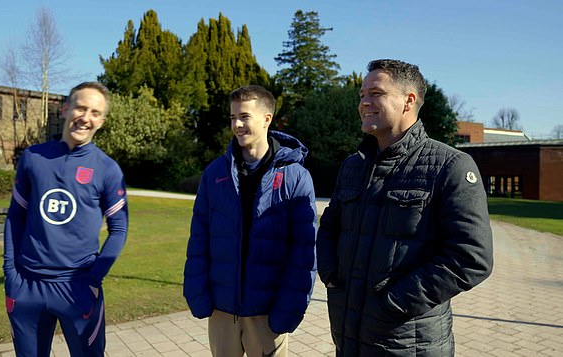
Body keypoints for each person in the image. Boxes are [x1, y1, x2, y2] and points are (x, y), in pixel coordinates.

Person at [316, 59, 494, 356]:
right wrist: (331, 274)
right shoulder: (352, 166)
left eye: (376, 93)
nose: (364, 103)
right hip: (349, 336)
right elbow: (331, 226)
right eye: (362, 95)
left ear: (408, 101)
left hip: (407, 343)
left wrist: (396, 301)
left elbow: (471, 256)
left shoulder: (450, 166)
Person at [183, 85, 318, 356]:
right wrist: (197, 294)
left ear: (267, 118)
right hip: (222, 311)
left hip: (269, 314)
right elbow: (199, 239)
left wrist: (288, 310)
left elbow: (304, 253)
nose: (237, 124)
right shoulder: (214, 174)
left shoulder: (296, 177)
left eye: (244, 116)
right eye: (233, 117)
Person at [3, 82, 128, 357]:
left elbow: (119, 229)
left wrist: (93, 279)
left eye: (95, 112)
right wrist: (10, 274)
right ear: (65, 109)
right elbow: (15, 216)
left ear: (102, 121)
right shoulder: (33, 158)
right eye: (81, 107)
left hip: (77, 287)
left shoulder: (107, 169)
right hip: (27, 287)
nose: (86, 117)